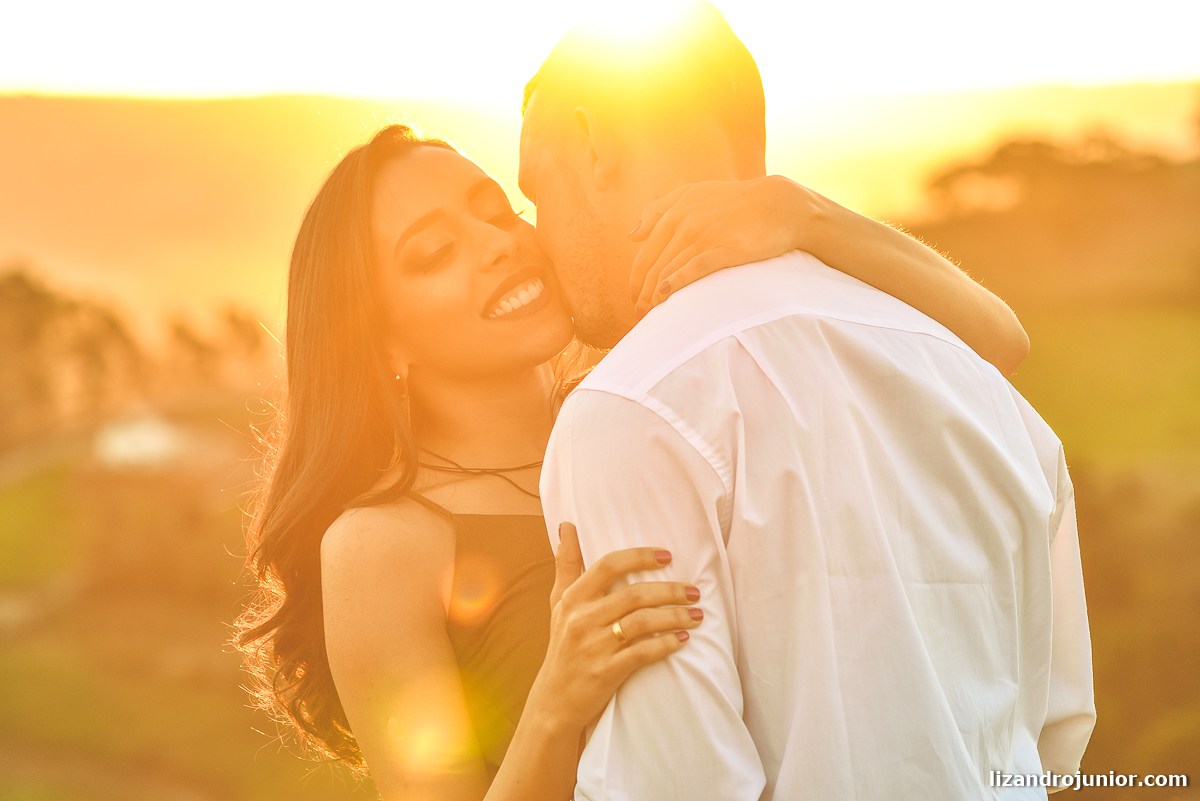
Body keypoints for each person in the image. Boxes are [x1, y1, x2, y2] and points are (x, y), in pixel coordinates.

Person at [234, 67, 1034, 801]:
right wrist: (557, 701)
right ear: (383, 342)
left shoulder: (648, 414)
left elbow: (994, 343)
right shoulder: (382, 545)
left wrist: (804, 214)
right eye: (436, 252)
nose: (496, 244)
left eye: (497, 210)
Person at [523, 5, 1095, 801]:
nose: (536, 235)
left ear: (592, 145)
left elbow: (677, 785)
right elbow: (1054, 735)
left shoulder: (631, 410)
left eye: (535, 190)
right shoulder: (980, 385)